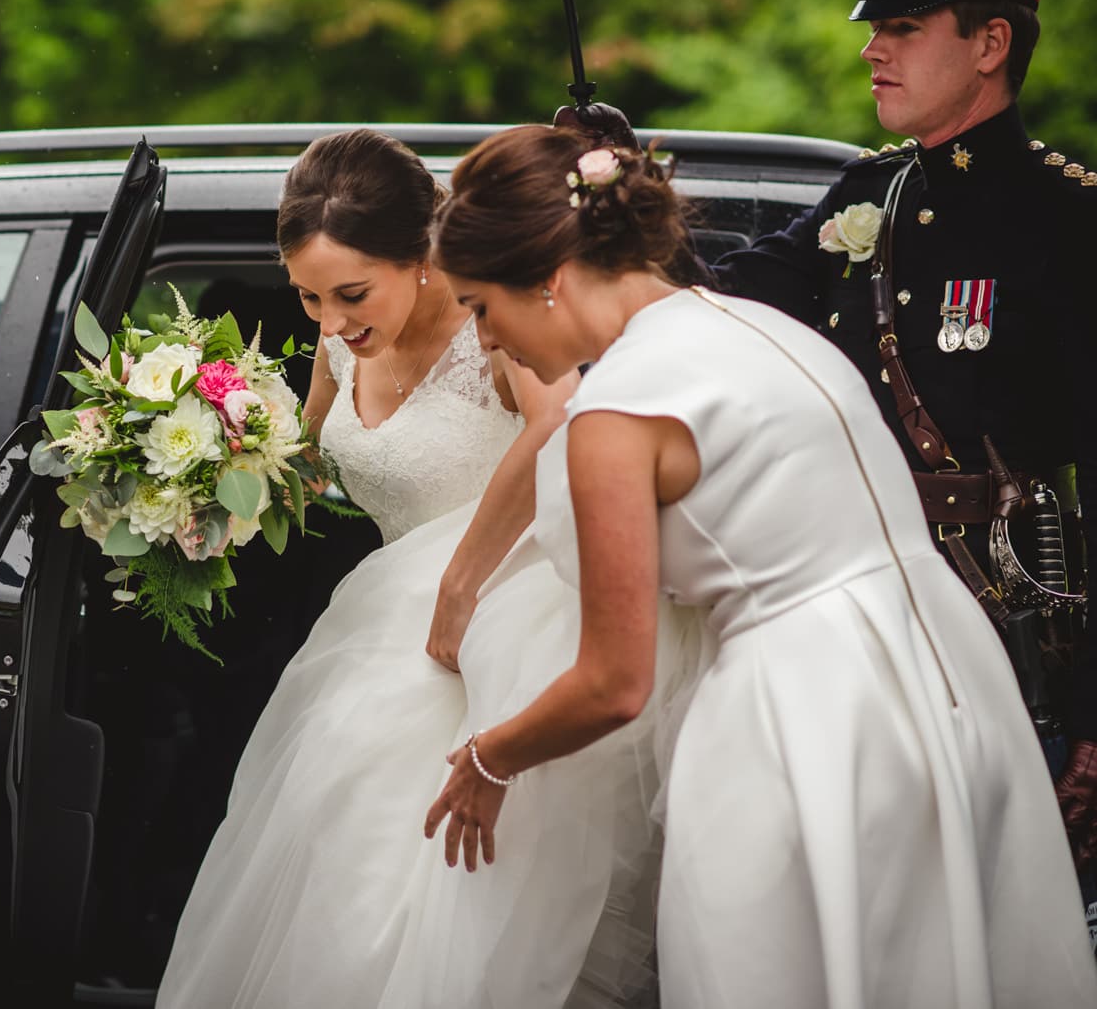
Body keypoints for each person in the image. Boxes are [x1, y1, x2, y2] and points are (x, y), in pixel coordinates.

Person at [424, 124, 1097, 1008]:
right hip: (951, 682)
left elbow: (614, 681)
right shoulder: (755, 327)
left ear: (547, 279)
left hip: (803, 716)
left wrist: (488, 755)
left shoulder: (616, 412)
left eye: (478, 307)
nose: (482, 343)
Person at [157, 128, 710, 1008]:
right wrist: (201, 480)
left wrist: (461, 580)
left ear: (421, 255)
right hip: (379, 624)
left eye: (348, 293)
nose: (332, 324)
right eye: (306, 299)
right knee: (331, 856)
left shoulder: (492, 321)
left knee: (425, 885)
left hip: (495, 621)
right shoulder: (342, 343)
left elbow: (560, 418)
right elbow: (305, 459)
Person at [711, 0, 1097, 878]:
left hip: (1008, 633)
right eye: (873, 26)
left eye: (905, 27)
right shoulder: (866, 193)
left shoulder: (1071, 223)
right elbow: (714, 301)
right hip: (850, 616)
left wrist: (1096, 719)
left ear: (991, 43)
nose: (872, 49)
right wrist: (606, 186)